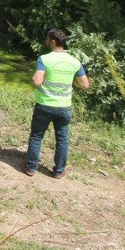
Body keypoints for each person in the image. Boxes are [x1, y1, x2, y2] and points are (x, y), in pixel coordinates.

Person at [22, 28, 90, 178]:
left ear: (52, 41)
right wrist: (73, 83)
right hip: (64, 107)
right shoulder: (74, 61)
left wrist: (42, 79)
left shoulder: (44, 59)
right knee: (62, 139)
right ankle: (59, 171)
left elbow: (36, 81)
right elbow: (85, 84)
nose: (46, 41)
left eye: (47, 39)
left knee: (37, 136)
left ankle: (31, 167)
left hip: (45, 105)